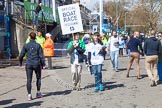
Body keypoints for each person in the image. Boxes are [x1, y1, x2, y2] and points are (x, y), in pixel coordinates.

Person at [19, 31, 45, 101]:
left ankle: (29, 95)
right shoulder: (38, 45)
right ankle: (38, 92)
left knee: (29, 80)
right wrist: (43, 64)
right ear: (35, 37)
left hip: (29, 64)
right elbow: (41, 56)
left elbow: (21, 55)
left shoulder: (26, 45)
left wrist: (20, 62)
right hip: (37, 63)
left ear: (29, 37)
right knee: (38, 78)